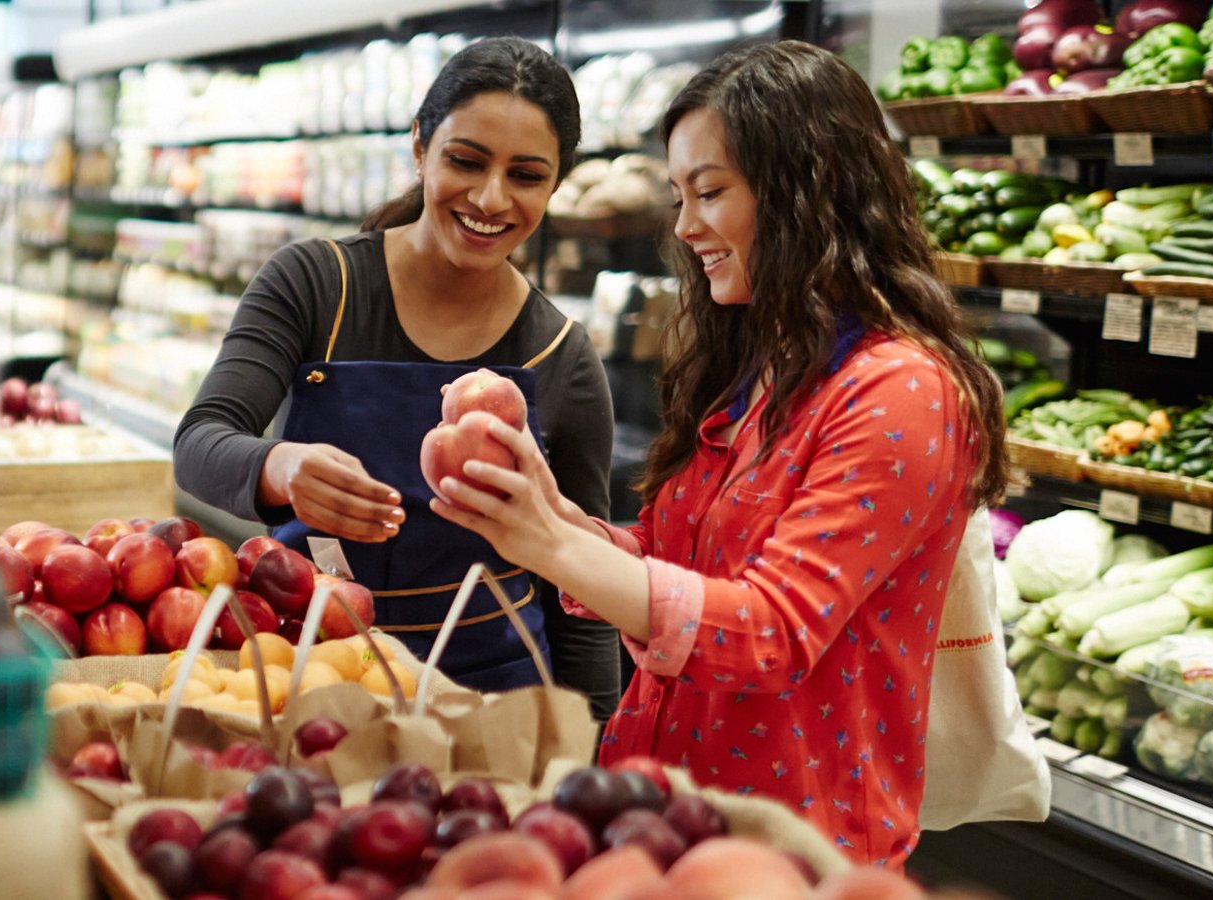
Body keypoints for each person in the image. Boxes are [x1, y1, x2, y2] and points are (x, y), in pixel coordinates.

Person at [429, 40, 1008, 869]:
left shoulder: (899, 392)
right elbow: (688, 577)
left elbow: (771, 632)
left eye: (709, 192)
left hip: (792, 850)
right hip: (667, 815)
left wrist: (547, 544)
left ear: (807, 188)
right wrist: (557, 520)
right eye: (678, 194)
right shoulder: (768, 365)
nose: (686, 225)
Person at [174, 36, 620, 714]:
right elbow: (200, 443)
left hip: (490, 706)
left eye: (526, 176)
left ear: (556, 183)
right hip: (314, 681)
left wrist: (591, 749)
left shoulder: (559, 352)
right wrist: (280, 465)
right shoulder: (317, 284)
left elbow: (583, 587)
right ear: (419, 146)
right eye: (465, 161)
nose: (491, 198)